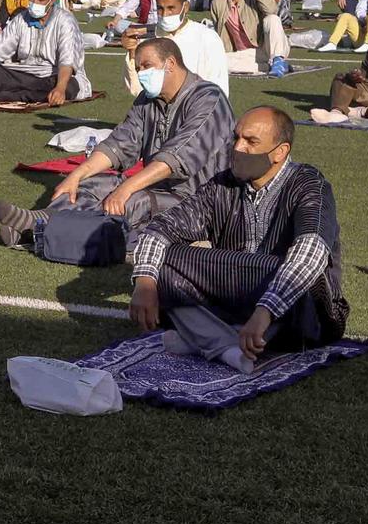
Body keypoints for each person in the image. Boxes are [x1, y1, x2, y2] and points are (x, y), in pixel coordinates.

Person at [125, 106, 348, 372]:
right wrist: (145, 283)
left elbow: (310, 254)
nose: (238, 148)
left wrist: (265, 310)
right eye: (236, 138)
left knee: (303, 276)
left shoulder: (309, 186)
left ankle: (206, 340)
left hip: (299, 310)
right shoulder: (223, 185)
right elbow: (161, 228)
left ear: (280, 152)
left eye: (251, 142)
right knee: (161, 262)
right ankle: (228, 346)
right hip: (238, 292)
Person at [0, 37, 236, 260]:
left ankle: (37, 233)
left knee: (132, 202)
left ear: (170, 63)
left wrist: (127, 188)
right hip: (157, 188)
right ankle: (40, 224)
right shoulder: (147, 100)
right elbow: (119, 144)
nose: (141, 74)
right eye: (138, 68)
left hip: (199, 203)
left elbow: (178, 157)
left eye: (146, 66)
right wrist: (77, 175)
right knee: (90, 185)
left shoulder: (208, 99)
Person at [123, 0, 228, 97]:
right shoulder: (148, 39)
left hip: (196, 109)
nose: (165, 14)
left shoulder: (206, 37)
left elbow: (218, 87)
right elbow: (137, 89)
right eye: (160, 8)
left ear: (185, 7)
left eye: (171, 8)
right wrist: (132, 51)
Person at [214, 0, 292, 76]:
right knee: (219, 63)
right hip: (243, 54)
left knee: (272, 19)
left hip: (268, 48)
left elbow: (272, 9)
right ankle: (268, 67)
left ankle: (278, 61)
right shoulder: (218, 3)